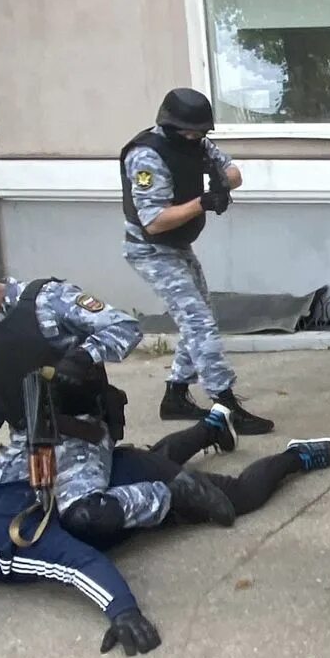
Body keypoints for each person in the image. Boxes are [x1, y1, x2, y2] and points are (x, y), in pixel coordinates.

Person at [0, 406, 330, 655]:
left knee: (236, 499)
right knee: (153, 456)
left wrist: (122, 612)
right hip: (94, 474)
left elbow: (82, 566)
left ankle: (298, 456)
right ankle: (213, 425)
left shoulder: (13, 543)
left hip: (114, 492)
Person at [0, 239, 176, 541]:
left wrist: (82, 357)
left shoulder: (47, 300)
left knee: (83, 516)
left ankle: (173, 496)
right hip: (27, 437)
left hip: (79, 429)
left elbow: (125, 327)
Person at [121, 87, 273, 434]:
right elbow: (153, 220)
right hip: (150, 249)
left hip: (177, 246)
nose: (196, 137)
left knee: (201, 314)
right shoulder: (147, 156)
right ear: (171, 125)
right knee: (199, 321)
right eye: (190, 131)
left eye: (201, 132)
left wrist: (223, 183)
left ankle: (175, 395)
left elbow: (232, 170)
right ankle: (225, 402)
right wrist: (203, 203)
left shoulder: (197, 143)